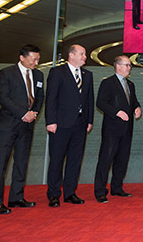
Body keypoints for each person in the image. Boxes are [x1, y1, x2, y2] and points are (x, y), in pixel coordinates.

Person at [0, 44, 44, 215]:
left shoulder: (38, 74)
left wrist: (34, 112)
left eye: (38, 59)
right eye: (33, 59)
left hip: (27, 125)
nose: (36, 62)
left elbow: (40, 97)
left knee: (21, 162)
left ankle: (16, 197)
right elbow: (3, 98)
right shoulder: (6, 73)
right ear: (22, 57)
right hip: (7, 125)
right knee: (0, 163)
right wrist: (23, 113)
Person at [45, 44, 94, 207]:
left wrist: (89, 120)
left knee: (75, 160)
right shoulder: (57, 72)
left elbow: (89, 100)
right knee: (57, 160)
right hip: (60, 124)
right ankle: (53, 194)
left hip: (80, 124)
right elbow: (51, 98)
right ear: (71, 55)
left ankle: (70, 193)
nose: (85, 57)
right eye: (82, 54)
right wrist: (50, 121)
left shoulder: (87, 75)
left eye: (85, 54)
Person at [94, 55, 142, 203]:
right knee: (106, 160)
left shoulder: (131, 85)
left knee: (122, 160)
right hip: (112, 129)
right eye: (126, 65)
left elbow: (133, 102)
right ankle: (100, 191)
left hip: (127, 129)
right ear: (118, 66)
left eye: (129, 65)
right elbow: (100, 103)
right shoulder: (107, 83)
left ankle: (117, 187)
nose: (129, 68)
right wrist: (116, 112)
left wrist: (137, 107)